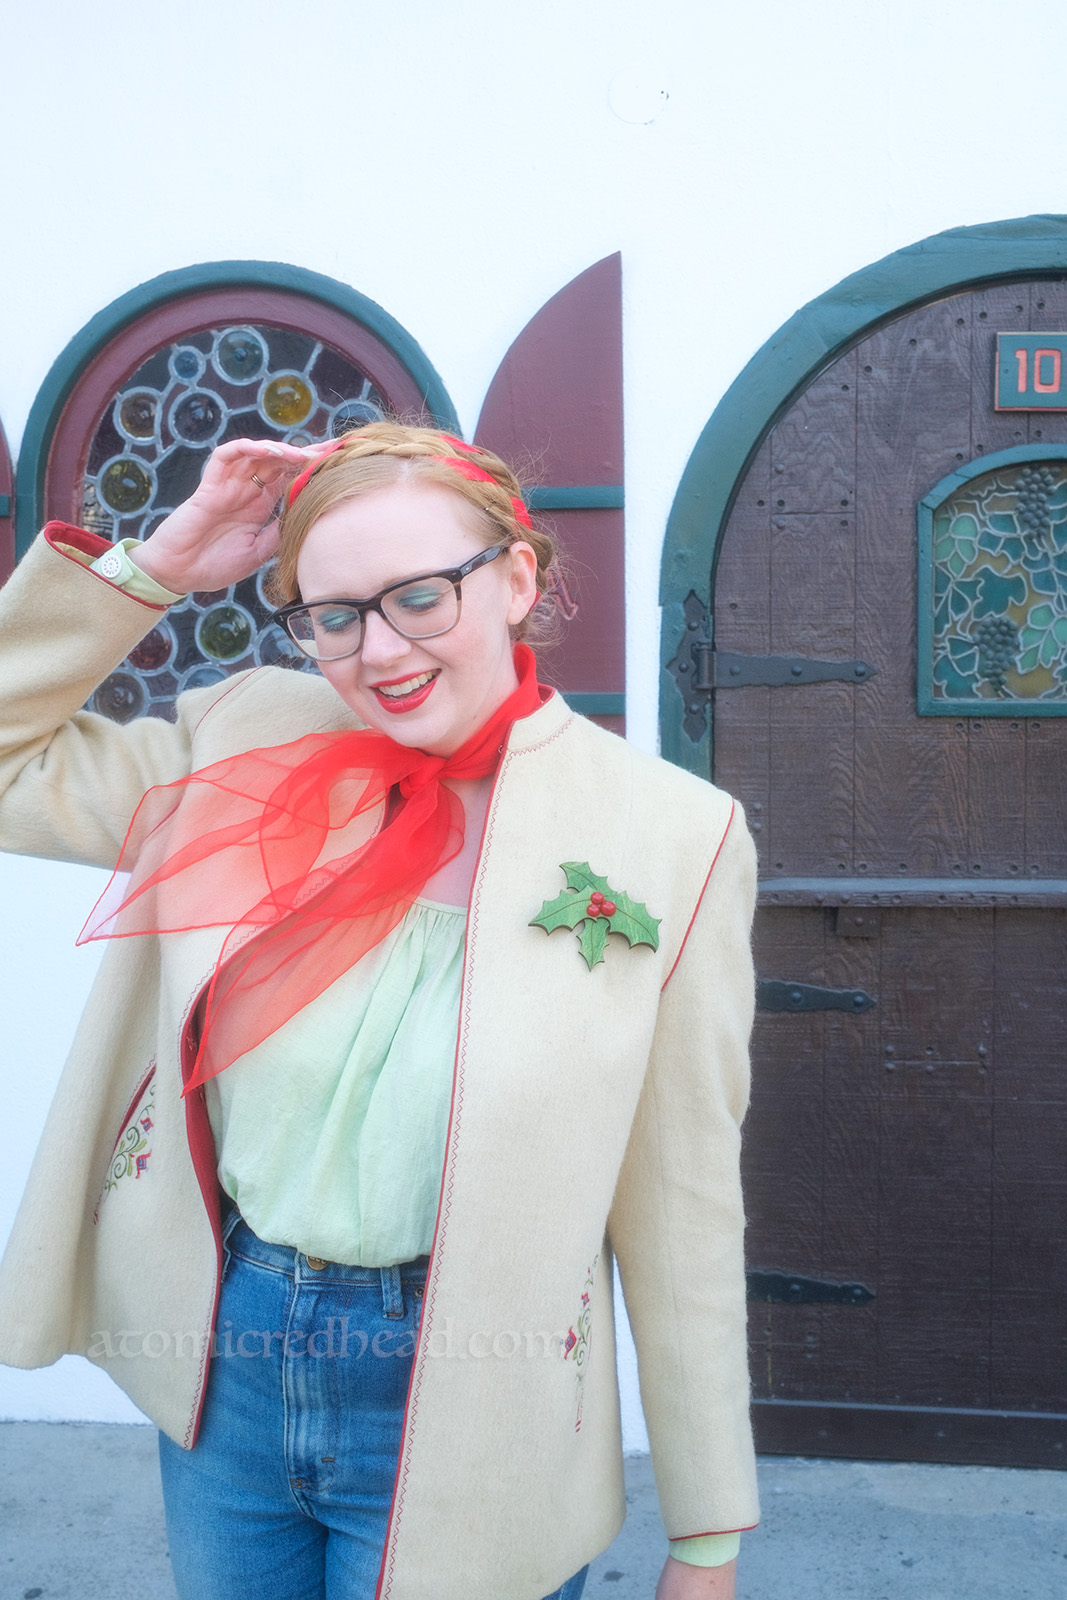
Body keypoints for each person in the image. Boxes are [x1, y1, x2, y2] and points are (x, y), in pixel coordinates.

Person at [0, 423, 759, 1600]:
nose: (379, 649)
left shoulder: (670, 834)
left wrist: (706, 1533)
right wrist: (160, 563)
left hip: (475, 1390)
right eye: (333, 612)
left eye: (418, 595)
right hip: (230, 1361)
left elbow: (684, 1201)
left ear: (516, 577)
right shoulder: (248, 731)